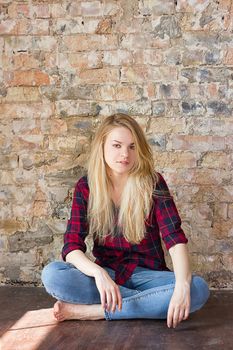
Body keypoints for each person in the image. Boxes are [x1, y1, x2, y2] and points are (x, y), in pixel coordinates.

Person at [42, 113, 209, 328]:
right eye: (117, 145)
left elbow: (174, 239)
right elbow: (72, 246)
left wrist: (182, 288)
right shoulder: (87, 187)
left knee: (197, 289)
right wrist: (99, 274)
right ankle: (150, 303)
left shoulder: (153, 182)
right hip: (108, 274)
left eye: (132, 147)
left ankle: (97, 311)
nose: (125, 154)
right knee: (53, 275)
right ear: (102, 147)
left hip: (150, 276)